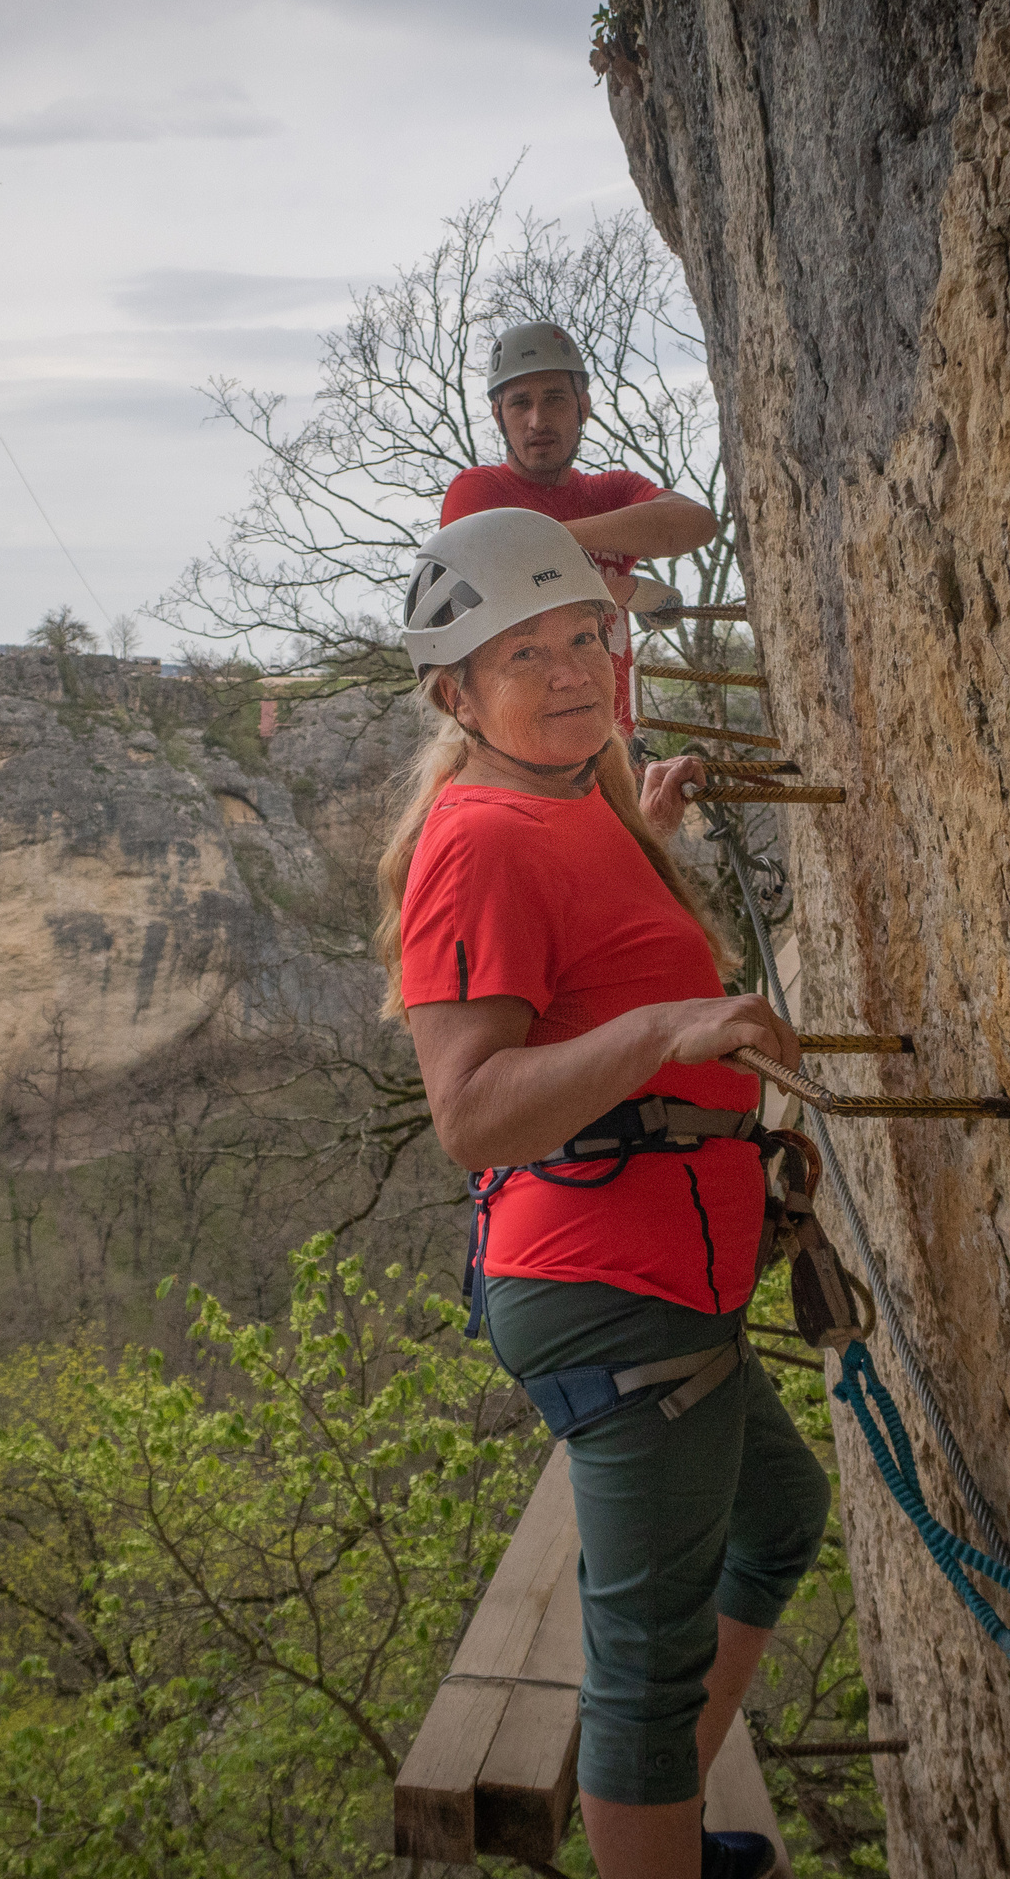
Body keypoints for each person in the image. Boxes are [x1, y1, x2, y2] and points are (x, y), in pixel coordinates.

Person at [378, 507, 830, 1879]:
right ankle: (658, 1848)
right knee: (644, 1666)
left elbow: (597, 938)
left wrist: (655, 824)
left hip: (657, 1275)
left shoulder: (575, 794)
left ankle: (668, 1836)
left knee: (781, 1512)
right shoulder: (482, 838)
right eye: (533, 654)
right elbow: (469, 1113)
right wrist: (659, 1039)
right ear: (460, 693)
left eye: (591, 636)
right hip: (610, 1294)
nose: (579, 670)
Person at [442, 321, 720, 739]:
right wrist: (622, 591)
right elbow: (503, 607)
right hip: (526, 748)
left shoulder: (610, 492)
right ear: (498, 414)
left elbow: (696, 523)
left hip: (610, 744)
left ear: (582, 406)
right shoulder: (480, 492)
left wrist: (554, 538)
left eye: (554, 399)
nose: (537, 420)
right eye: (520, 403)